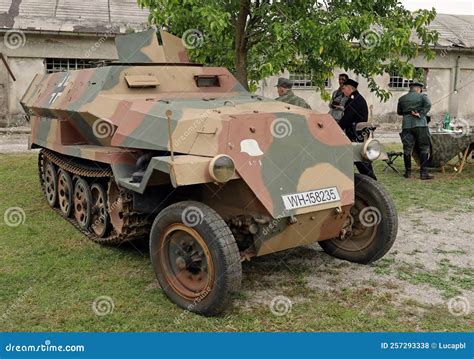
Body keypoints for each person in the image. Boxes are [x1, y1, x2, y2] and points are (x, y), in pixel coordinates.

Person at [338, 78, 377, 180]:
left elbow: (347, 118)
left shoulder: (355, 100)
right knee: (354, 160)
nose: (343, 91)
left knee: (360, 161)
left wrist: (337, 127)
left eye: (344, 88)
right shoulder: (355, 98)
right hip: (356, 134)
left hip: (357, 135)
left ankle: (372, 182)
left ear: (349, 88)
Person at [397, 82, 433, 180]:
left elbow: (399, 112)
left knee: (407, 149)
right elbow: (429, 104)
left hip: (406, 125)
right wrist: (420, 113)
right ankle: (424, 173)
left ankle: (408, 172)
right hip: (420, 124)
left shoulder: (402, 99)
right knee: (424, 147)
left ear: (411, 88)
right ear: (418, 89)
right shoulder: (422, 97)